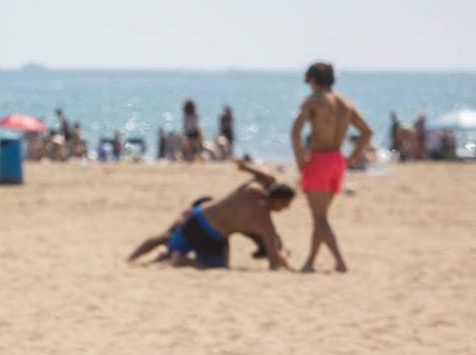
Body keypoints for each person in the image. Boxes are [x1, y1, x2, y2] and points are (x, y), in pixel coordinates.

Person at [290, 62, 373, 273]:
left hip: (319, 160)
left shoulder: (313, 101)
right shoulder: (345, 103)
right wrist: (352, 157)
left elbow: (295, 131)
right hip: (337, 160)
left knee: (319, 218)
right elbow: (367, 132)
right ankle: (310, 263)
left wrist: (300, 158)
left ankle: (340, 261)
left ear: (312, 79)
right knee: (320, 216)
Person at [158, 159, 294, 269]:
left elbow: (268, 177)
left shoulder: (252, 188)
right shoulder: (265, 222)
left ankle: (164, 256)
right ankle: (181, 260)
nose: (284, 209)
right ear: (278, 200)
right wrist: (285, 254)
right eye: (284, 205)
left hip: (195, 217)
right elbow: (274, 262)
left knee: (168, 244)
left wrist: (246, 167)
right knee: (217, 266)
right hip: (210, 235)